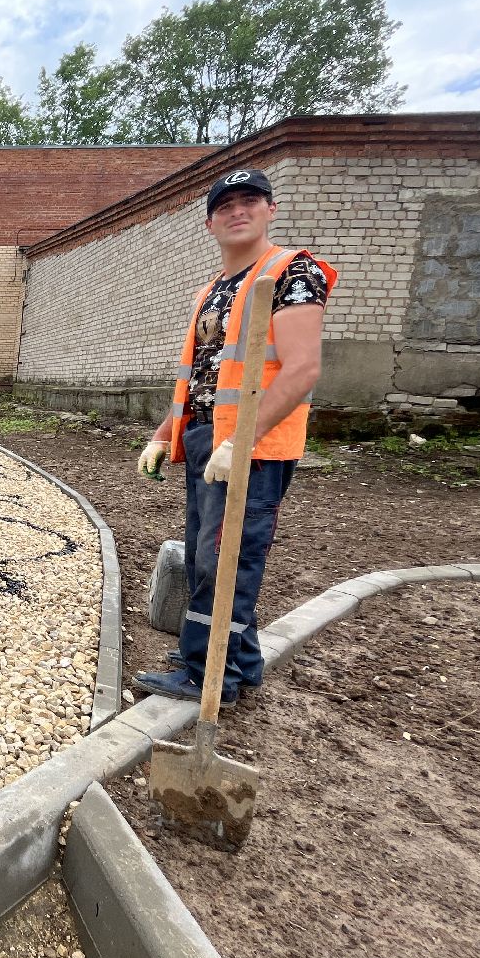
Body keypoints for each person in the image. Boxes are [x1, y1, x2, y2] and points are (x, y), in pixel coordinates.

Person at [133, 169, 337, 706]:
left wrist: (242, 441)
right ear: (210, 223)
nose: (238, 211)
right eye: (225, 205)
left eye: (250, 200)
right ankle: (237, 660)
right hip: (209, 440)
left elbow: (301, 368)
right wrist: (164, 434)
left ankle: (209, 675)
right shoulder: (214, 290)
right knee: (205, 557)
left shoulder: (292, 273)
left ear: (271, 209)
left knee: (226, 561)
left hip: (252, 448)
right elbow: (200, 376)